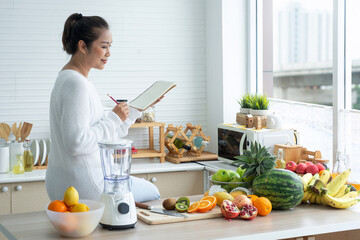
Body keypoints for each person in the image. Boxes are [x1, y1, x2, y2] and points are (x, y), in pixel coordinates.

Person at [46, 13, 160, 202]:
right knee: (153, 192)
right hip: (86, 185)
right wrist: (113, 118)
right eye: (104, 46)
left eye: (110, 46)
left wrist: (136, 110)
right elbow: (77, 143)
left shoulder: (69, 79)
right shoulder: (77, 85)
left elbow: (106, 135)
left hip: (65, 183)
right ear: (83, 46)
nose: (108, 53)